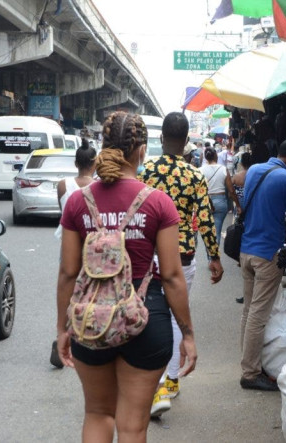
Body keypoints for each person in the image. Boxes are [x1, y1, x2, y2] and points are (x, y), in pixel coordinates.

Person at [55, 111, 197, 442]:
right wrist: (187, 334)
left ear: (105, 145)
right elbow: (173, 276)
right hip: (146, 318)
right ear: (142, 150)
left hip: (91, 320)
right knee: (133, 426)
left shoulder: (78, 202)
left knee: (97, 413)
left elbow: (67, 272)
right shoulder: (158, 203)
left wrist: (62, 328)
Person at [139, 112, 223, 417]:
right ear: (186, 141)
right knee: (176, 318)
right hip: (183, 257)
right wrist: (214, 256)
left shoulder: (144, 171)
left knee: (148, 315)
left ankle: (156, 381)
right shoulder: (194, 176)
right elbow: (205, 220)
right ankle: (169, 381)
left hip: (147, 258)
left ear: (161, 138)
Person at [238, 137, 286, 391]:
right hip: (268, 253)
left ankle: (248, 363)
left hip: (246, 250)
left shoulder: (255, 169)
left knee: (249, 311)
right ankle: (250, 373)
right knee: (258, 314)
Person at [50, 138, 97, 369]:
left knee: (68, 287)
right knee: (89, 291)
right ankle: (83, 337)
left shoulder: (63, 185)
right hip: (91, 245)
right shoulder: (98, 186)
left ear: (76, 162)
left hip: (69, 243)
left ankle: (62, 334)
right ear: (94, 163)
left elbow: (65, 214)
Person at [200, 147, 241, 246]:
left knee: (207, 233)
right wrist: (238, 205)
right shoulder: (223, 169)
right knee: (216, 232)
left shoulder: (200, 170)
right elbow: (231, 190)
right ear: (216, 156)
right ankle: (214, 258)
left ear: (206, 157)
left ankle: (210, 257)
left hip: (205, 202)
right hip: (220, 202)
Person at [231, 152, 254, 304]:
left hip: (240, 212)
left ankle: (246, 293)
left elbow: (231, 192)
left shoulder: (236, 177)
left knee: (241, 241)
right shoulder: (254, 176)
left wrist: (238, 206)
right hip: (251, 214)